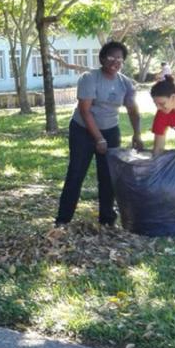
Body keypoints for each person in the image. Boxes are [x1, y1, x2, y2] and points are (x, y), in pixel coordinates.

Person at [55, 41, 144, 226]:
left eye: (120, 58)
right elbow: (85, 110)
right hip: (83, 130)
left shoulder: (125, 83)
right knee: (76, 173)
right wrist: (98, 139)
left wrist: (137, 134)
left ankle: (107, 220)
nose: (115, 61)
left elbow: (133, 110)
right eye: (111, 57)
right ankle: (62, 221)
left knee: (109, 176)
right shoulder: (89, 78)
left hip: (110, 130)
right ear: (102, 59)